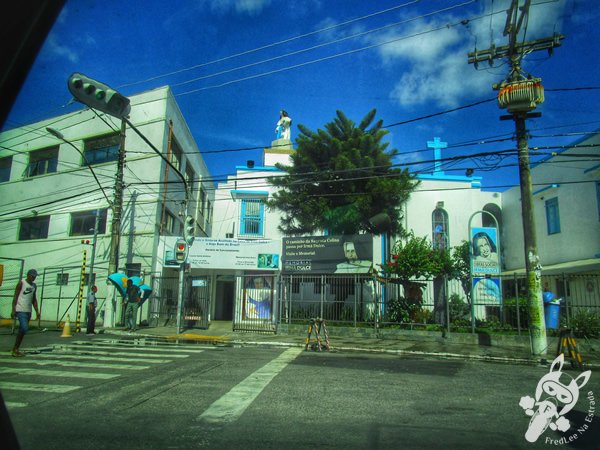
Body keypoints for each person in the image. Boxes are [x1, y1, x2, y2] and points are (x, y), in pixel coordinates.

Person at [11, 269, 41, 357]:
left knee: (23, 330)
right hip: (20, 310)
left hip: (28, 311)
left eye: (35, 276)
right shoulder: (21, 283)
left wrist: (37, 311)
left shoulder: (34, 286)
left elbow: (34, 299)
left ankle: (15, 349)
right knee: (24, 328)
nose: (34, 278)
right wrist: (13, 310)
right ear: (28, 275)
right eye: (33, 276)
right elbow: (15, 296)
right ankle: (15, 349)